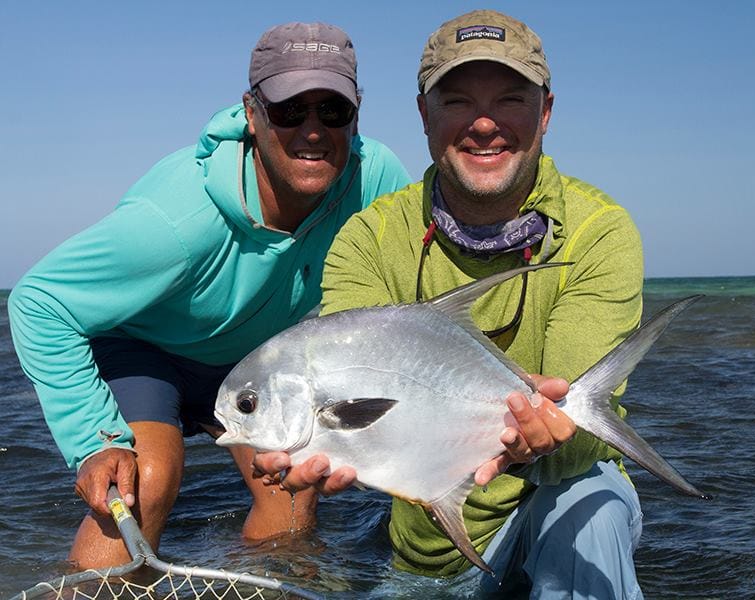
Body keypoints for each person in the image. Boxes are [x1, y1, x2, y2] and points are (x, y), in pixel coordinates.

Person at [254, 10, 646, 600]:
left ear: (545, 112)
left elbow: (582, 438)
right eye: (457, 101)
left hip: (559, 491)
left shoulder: (599, 231)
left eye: (511, 100)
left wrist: (543, 429)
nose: (484, 124)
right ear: (423, 115)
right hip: (431, 537)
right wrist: (327, 448)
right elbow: (354, 394)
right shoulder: (369, 239)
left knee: (593, 504)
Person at [7, 22, 410, 569]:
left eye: (332, 111)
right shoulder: (174, 222)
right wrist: (94, 442)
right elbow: (39, 302)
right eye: (291, 111)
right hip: (145, 352)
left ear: (357, 113)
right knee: (145, 480)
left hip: (251, 362)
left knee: (294, 490)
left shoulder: (377, 178)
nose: (313, 131)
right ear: (252, 111)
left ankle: (256, 575)